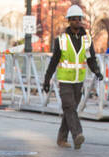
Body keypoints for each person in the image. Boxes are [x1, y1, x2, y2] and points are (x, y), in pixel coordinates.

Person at [41, 5, 104, 149]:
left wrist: (96, 71)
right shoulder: (61, 40)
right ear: (69, 21)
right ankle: (77, 135)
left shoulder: (87, 39)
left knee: (71, 110)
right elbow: (54, 61)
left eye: (79, 19)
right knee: (69, 106)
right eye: (74, 19)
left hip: (78, 81)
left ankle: (61, 139)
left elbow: (90, 58)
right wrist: (47, 79)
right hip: (65, 80)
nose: (77, 21)